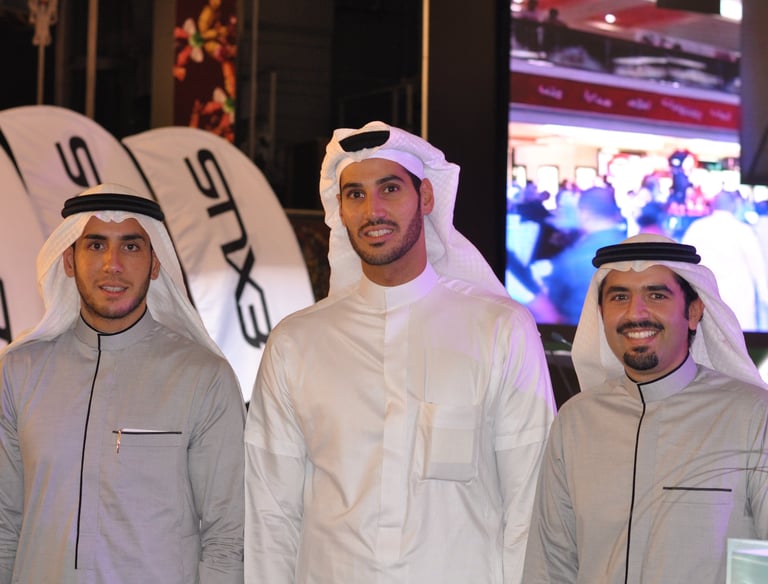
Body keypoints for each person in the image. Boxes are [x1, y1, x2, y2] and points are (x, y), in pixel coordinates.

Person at [244, 121, 556, 583]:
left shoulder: (500, 328)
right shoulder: (296, 342)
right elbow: (271, 512)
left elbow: (530, 502)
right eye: (355, 194)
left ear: (425, 197)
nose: (373, 210)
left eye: (389, 188)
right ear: (340, 210)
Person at [0, 183, 246, 583]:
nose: (112, 264)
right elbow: (4, 523)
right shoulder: (18, 373)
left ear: (155, 262)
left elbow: (229, 536)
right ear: (69, 260)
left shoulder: (204, 378)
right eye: (96, 245)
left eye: (131, 246)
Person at [522, 233, 768, 583]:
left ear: (694, 312)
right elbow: (550, 565)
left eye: (656, 295)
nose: (635, 313)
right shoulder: (576, 421)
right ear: (601, 314)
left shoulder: (753, 417)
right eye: (620, 297)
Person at [682, 190, 768, 331]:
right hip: (739, 303)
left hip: (706, 300)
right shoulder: (743, 230)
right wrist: (765, 298)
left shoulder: (697, 228)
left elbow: (684, 265)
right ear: (734, 205)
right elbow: (757, 268)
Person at [545, 186, 627, 324]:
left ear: (585, 213)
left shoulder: (571, 259)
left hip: (578, 332)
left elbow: (552, 307)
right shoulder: (634, 249)